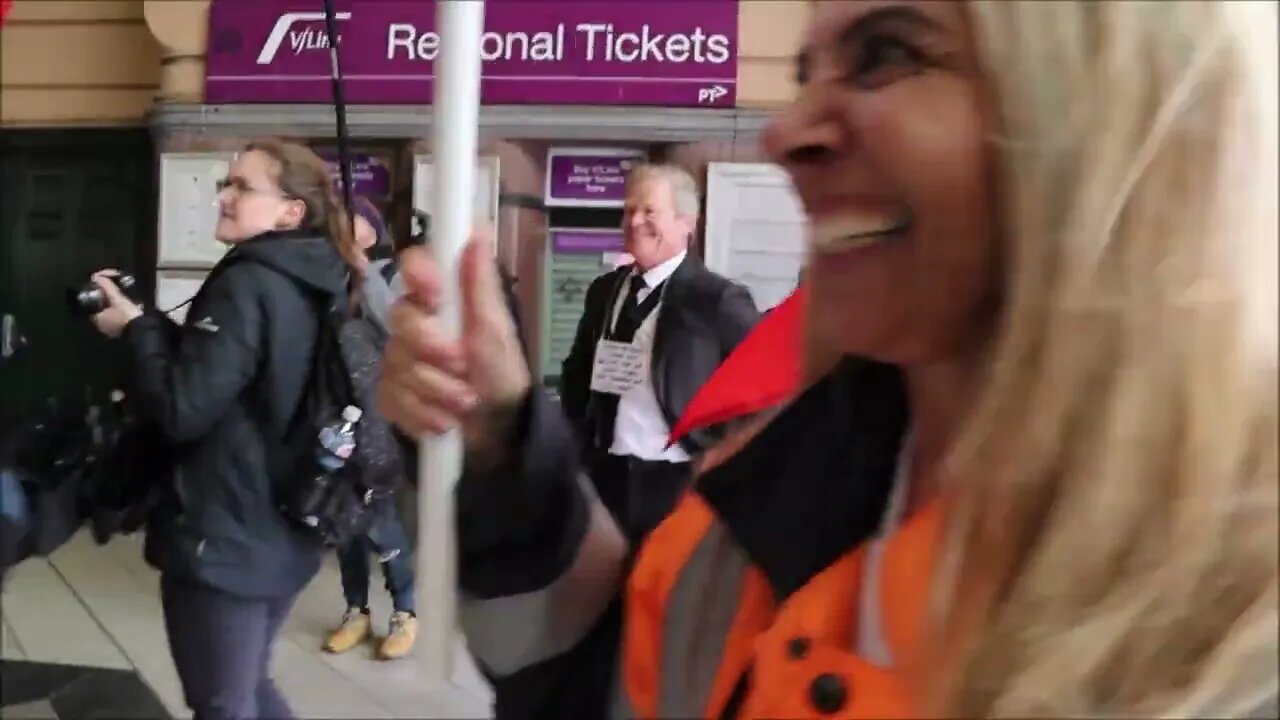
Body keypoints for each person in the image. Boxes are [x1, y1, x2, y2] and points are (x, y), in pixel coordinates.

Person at [380, 1, 1278, 717]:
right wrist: (501, 437)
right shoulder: (745, 521)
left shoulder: (1233, 616)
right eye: (805, 72)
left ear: (1111, 101)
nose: (786, 130)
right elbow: (594, 681)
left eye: (887, 51)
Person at [88, 139, 361, 720]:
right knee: (247, 686)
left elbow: (184, 409)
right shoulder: (320, 276)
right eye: (227, 183)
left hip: (227, 532)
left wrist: (137, 333)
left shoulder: (249, 282)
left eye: (243, 187)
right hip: (288, 522)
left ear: (291, 211)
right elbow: (231, 376)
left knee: (223, 703)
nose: (225, 196)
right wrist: (146, 325)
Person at [322, 195, 418, 660]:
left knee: (380, 516)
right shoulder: (328, 276)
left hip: (380, 415)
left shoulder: (390, 275)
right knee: (342, 517)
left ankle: (404, 610)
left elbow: (400, 327)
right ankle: (355, 608)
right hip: (334, 413)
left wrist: (363, 272)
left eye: (352, 218)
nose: (342, 225)